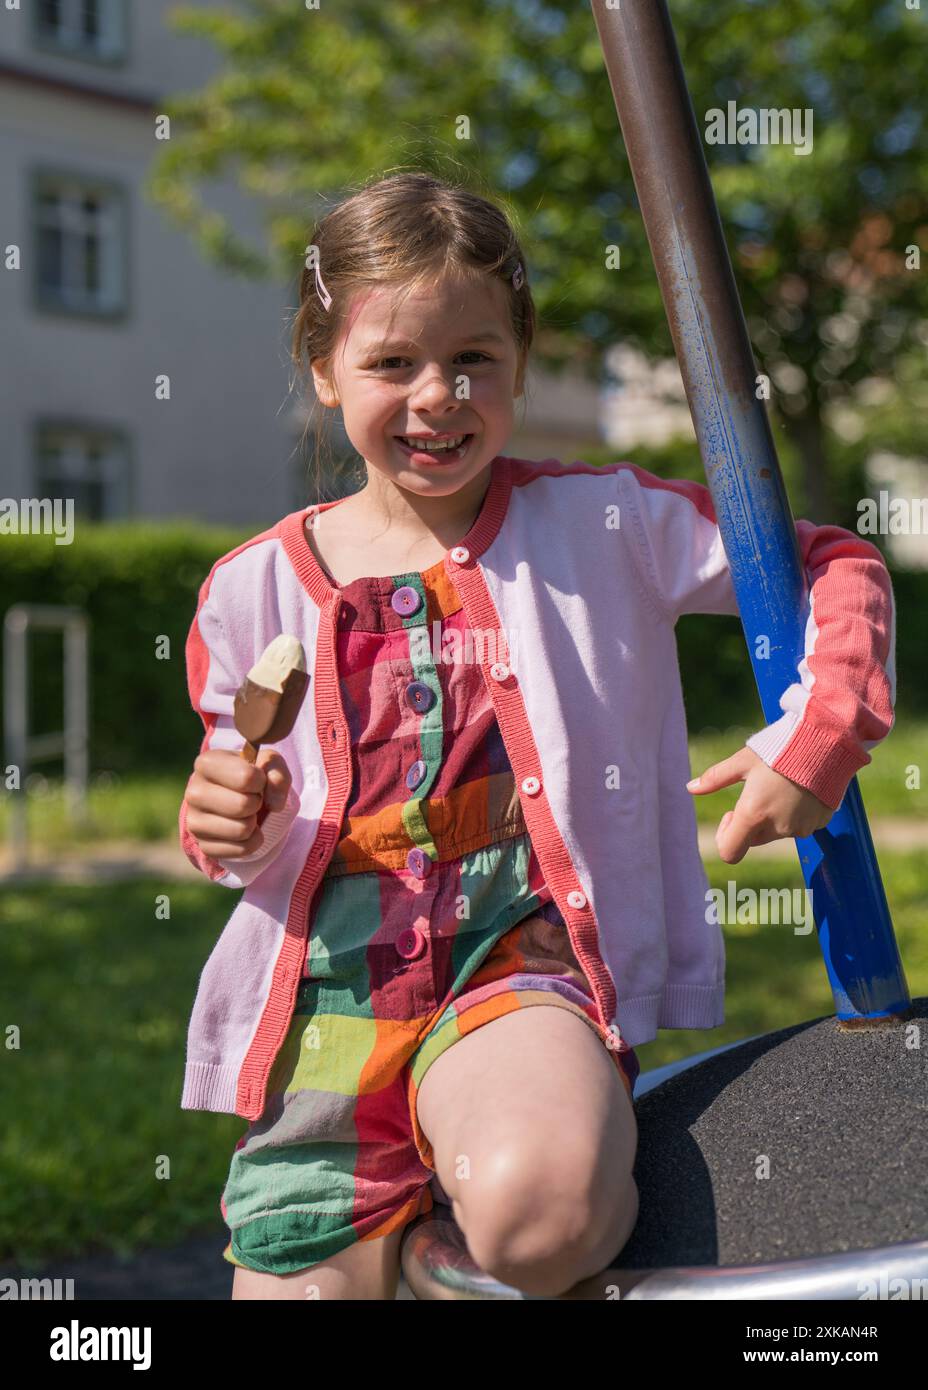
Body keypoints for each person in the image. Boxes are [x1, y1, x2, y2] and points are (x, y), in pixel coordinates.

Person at [179, 171, 897, 1301]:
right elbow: (237, 822)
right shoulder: (248, 591)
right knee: (306, 1287)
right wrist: (220, 816)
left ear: (519, 358)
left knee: (536, 1210)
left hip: (516, 966)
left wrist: (817, 736)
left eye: (474, 358)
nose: (437, 396)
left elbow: (827, 558)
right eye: (392, 363)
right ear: (322, 370)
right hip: (329, 1004)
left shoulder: (600, 520)